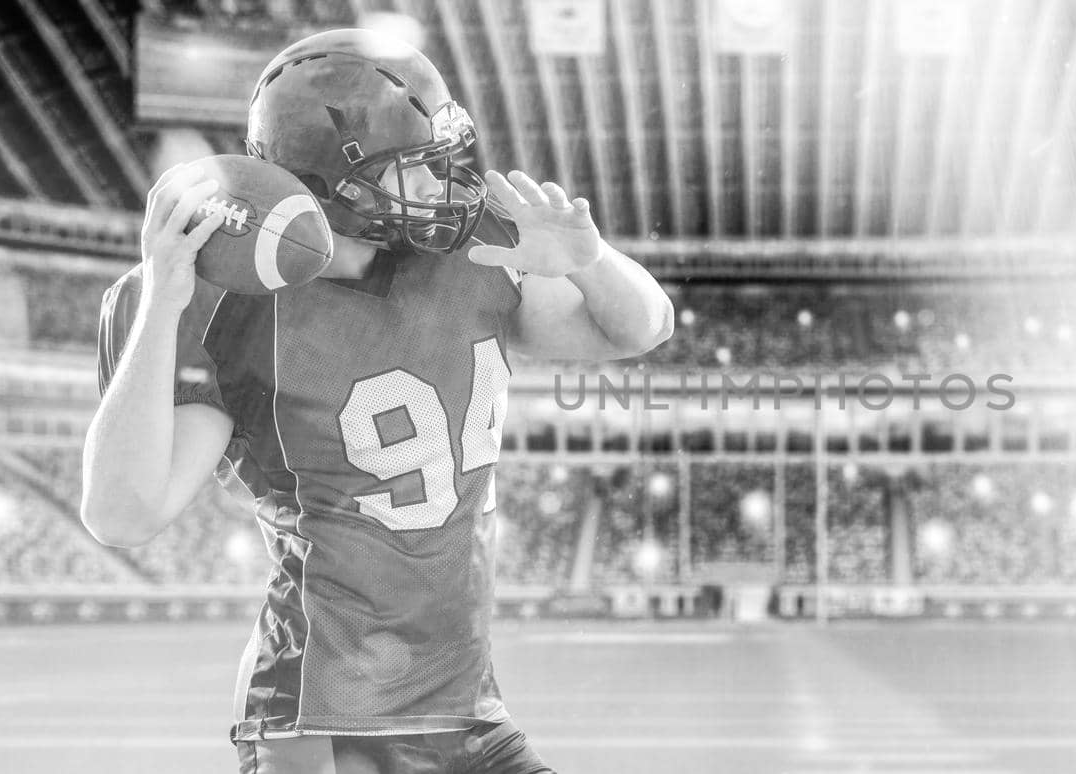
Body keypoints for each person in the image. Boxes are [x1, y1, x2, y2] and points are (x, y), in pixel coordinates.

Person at [80, 28, 673, 774]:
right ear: (327, 185)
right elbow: (124, 513)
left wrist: (592, 264)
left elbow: (640, 328)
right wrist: (162, 306)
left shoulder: (472, 251)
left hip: (465, 709)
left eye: (441, 163)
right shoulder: (223, 304)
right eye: (413, 172)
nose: (439, 187)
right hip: (323, 726)